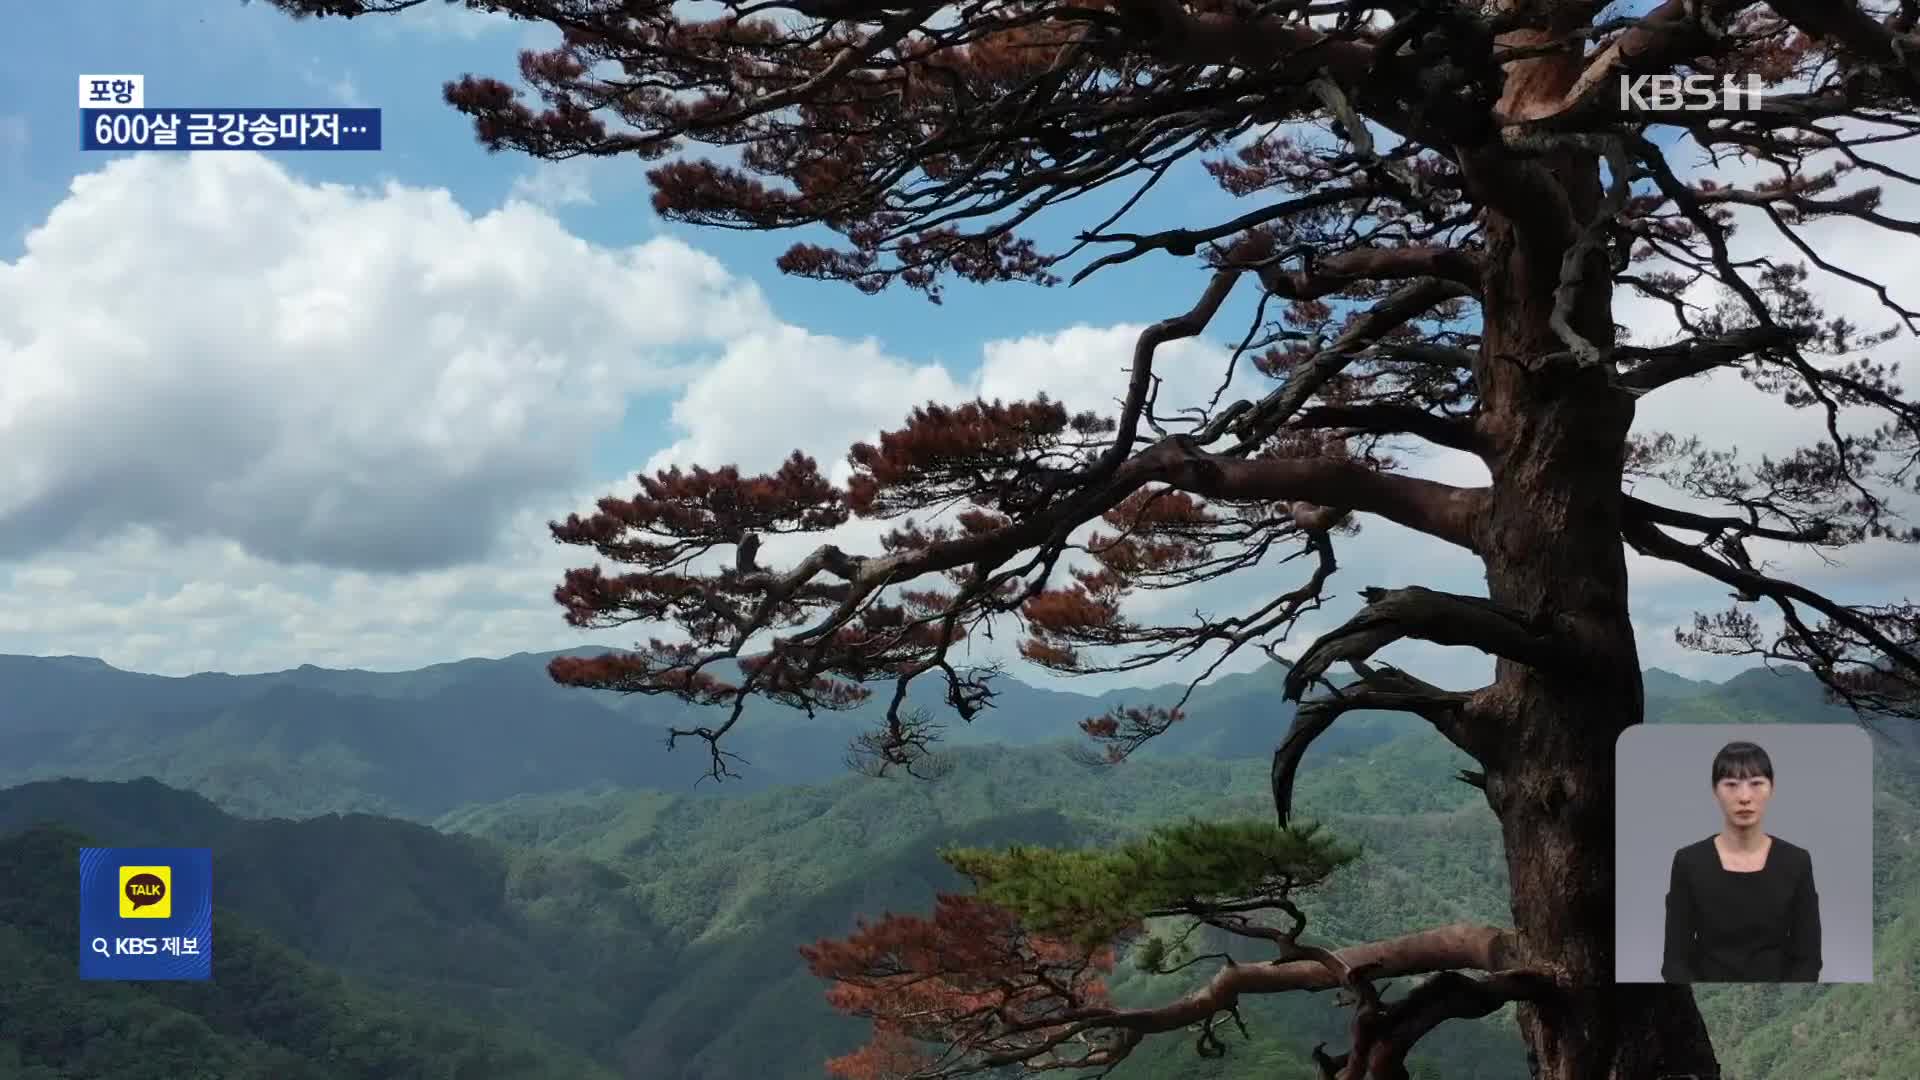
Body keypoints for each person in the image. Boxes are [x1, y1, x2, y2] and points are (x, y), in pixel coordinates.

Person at [1661, 740, 1822, 982]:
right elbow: (1675, 960)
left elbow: (1808, 959)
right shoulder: (1689, 862)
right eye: (1731, 785)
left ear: (1772, 788)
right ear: (1715, 790)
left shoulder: (1796, 861)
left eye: (1756, 783)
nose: (1744, 797)